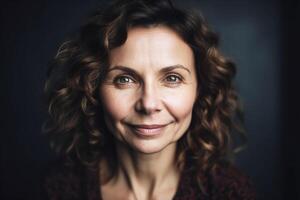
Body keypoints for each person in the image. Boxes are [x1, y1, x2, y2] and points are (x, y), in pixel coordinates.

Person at [41, 0, 256, 199]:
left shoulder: (228, 192)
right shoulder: (61, 187)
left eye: (172, 78)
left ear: (199, 90)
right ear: (93, 88)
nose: (148, 104)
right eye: (124, 79)